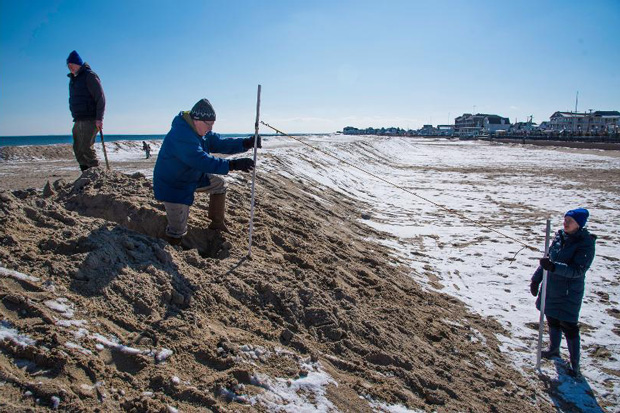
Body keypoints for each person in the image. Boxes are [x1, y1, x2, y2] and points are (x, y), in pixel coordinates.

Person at [153, 98, 260, 244]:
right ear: (196, 120)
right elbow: (201, 160)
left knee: (219, 185)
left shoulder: (200, 131)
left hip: (192, 177)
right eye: (208, 124)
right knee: (177, 230)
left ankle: (217, 224)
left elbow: (220, 143)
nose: (210, 128)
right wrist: (233, 165)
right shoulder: (181, 135)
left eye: (212, 124)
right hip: (174, 185)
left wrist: (245, 143)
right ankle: (172, 247)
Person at [530, 208, 596, 378]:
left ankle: (575, 365)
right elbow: (547, 260)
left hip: (568, 292)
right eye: (565, 219)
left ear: (579, 225)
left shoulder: (585, 243)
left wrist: (554, 267)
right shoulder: (559, 237)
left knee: (569, 326)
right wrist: (536, 279)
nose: (565, 223)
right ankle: (553, 349)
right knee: (552, 319)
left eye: (570, 221)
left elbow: (578, 270)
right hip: (551, 288)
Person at [66, 50, 106, 172]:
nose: (70, 68)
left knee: (86, 147)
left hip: (90, 118)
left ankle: (96, 174)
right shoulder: (73, 79)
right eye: (68, 66)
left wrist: (99, 118)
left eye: (71, 65)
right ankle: (85, 174)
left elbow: (101, 98)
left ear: (78, 63)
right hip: (78, 118)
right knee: (78, 148)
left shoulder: (89, 76)